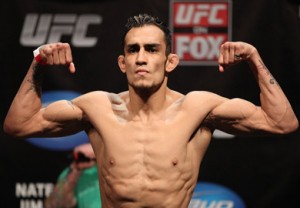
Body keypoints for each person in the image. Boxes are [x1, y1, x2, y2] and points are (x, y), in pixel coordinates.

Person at [4, 13, 298, 207]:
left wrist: (255, 61)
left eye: (152, 49)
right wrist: (38, 65)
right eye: (133, 50)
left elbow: (281, 122)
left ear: (170, 61)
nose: (141, 58)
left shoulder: (198, 109)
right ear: (122, 63)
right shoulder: (98, 108)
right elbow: (20, 124)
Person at [44, 143, 101, 208]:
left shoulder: (107, 169)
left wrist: (99, 154)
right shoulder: (70, 172)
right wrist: (76, 171)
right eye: (79, 156)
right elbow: (53, 205)